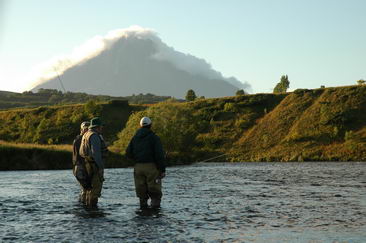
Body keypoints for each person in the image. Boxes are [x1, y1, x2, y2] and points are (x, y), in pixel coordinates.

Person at [126, 117, 166, 209]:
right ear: (150, 125)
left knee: (141, 191)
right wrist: (162, 169)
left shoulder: (134, 138)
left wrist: (136, 160)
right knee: (154, 191)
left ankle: (143, 210)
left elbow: (128, 153)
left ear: (140, 126)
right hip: (152, 167)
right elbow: (159, 155)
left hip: (138, 167)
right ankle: (155, 211)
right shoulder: (154, 137)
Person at [79, 117, 108, 207]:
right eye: (101, 127)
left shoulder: (86, 134)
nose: (102, 128)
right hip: (94, 166)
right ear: (97, 127)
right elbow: (96, 153)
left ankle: (88, 210)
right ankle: (93, 212)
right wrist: (100, 167)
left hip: (86, 165)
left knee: (88, 190)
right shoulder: (94, 136)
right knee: (95, 191)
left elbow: (81, 151)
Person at [72, 121, 91, 204]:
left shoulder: (79, 138)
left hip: (79, 167)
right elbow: (81, 156)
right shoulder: (80, 139)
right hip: (80, 167)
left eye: (88, 129)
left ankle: (83, 206)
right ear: (81, 129)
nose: (87, 130)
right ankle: (84, 206)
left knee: (84, 189)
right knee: (86, 188)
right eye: (85, 129)